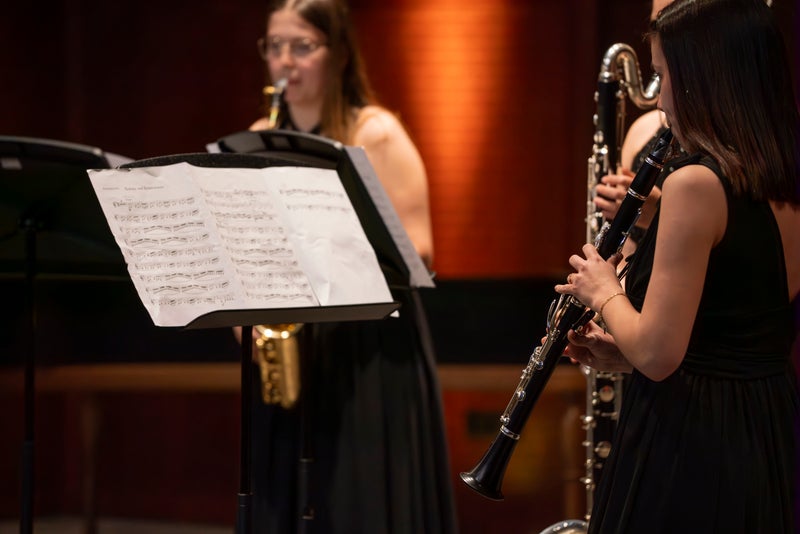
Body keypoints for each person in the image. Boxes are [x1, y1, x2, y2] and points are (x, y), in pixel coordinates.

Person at [556, 0, 800, 531]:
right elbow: (730, 338)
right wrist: (622, 356)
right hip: (766, 429)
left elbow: (657, 354)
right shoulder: (783, 176)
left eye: (664, 75)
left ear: (702, 79)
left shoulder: (694, 183)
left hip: (692, 446)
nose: (661, 99)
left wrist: (602, 289)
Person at [244, 1, 457, 533]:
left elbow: (421, 249)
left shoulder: (375, 132)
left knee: (359, 504)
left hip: (368, 349)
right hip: (298, 349)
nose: (285, 61)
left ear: (338, 53)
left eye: (302, 46)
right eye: (275, 46)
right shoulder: (258, 136)